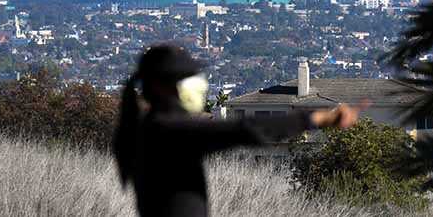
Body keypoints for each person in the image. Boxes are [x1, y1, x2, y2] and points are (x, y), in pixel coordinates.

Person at [114, 45, 365, 217]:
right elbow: (245, 130)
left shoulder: (152, 126)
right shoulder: (164, 130)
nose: (197, 85)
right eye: (184, 78)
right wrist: (317, 117)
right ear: (160, 86)